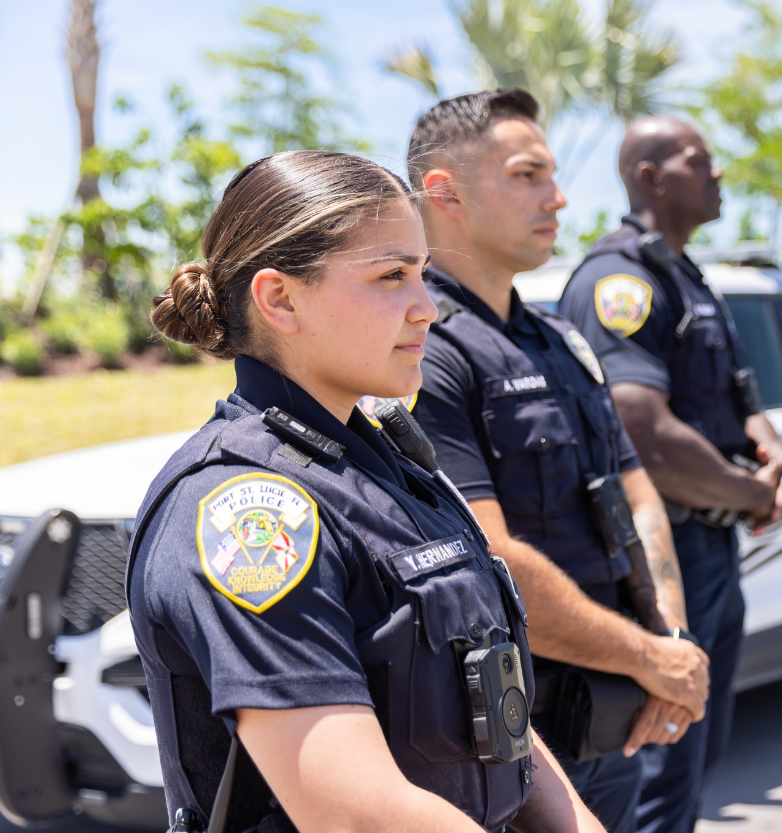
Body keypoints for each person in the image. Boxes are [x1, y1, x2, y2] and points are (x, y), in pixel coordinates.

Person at [127, 150, 606, 833]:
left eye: (423, 274)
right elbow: (354, 814)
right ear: (280, 298)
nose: (427, 308)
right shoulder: (245, 509)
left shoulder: (395, 466)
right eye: (391, 276)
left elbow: (493, 717)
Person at [406, 90, 710, 833]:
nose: (560, 196)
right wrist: (649, 656)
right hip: (507, 752)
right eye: (528, 174)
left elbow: (636, 493)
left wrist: (667, 646)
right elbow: (486, 562)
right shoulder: (420, 351)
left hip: (610, 722)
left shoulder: (558, 339)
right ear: (443, 191)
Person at [559, 116, 782, 833]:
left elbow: (737, 394)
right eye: (700, 161)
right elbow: (644, 430)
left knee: (697, 753)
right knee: (658, 770)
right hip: (663, 556)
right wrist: (755, 492)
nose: (718, 173)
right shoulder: (620, 280)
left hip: (712, 546)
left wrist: (774, 457)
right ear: (650, 177)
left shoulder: (685, 274)